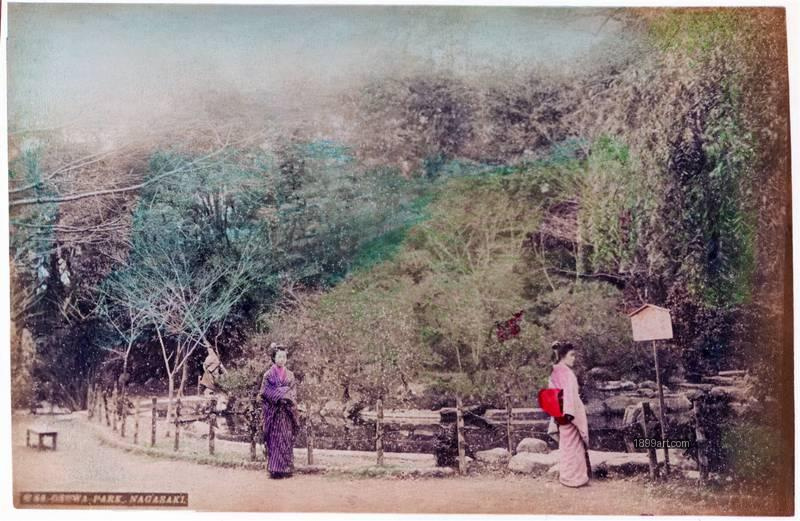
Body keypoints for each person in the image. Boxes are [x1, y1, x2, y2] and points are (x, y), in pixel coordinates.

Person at [546, 341, 591, 487]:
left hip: (560, 414)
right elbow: (570, 397)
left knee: (567, 446)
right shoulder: (567, 374)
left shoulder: (555, 371)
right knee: (574, 447)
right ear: (563, 356)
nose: (574, 359)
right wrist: (571, 415)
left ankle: (567, 476)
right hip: (569, 414)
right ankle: (575, 478)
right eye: (571, 355)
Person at [260, 344, 299, 479]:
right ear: (273, 358)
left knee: (286, 439)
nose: (282, 359)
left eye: (284, 357)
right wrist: (281, 395)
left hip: (286, 412)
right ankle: (274, 469)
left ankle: (287, 469)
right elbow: (264, 392)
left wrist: (285, 397)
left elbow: (293, 393)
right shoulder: (268, 374)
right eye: (279, 356)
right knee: (274, 440)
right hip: (274, 412)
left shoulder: (291, 375)